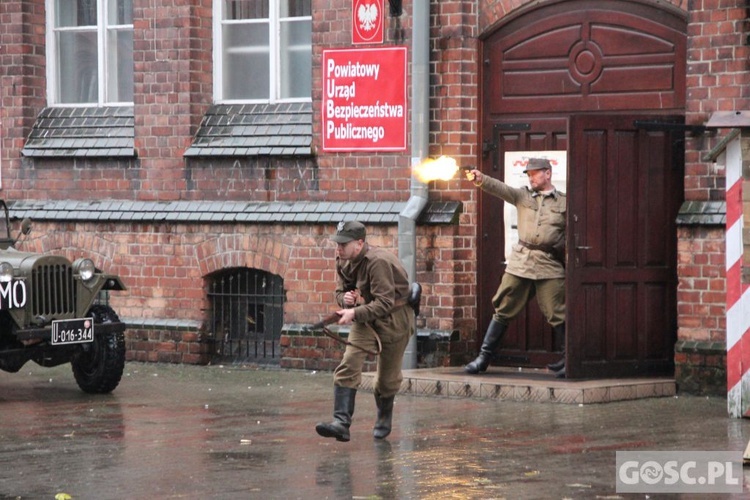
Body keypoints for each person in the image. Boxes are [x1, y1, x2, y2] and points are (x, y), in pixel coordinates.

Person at [464, 158, 567, 377]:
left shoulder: (564, 203)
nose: (530, 177)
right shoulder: (523, 196)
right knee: (503, 307)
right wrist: (481, 178)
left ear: (547, 174)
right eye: (528, 174)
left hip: (549, 264)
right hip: (521, 262)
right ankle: (483, 358)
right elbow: (501, 189)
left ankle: (570, 359)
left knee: (557, 311)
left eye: (535, 173)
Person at [315, 221, 415, 442]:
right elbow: (340, 291)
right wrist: (346, 299)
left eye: (344, 244)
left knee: (386, 380)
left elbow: (385, 303)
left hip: (394, 319)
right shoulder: (344, 260)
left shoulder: (377, 262)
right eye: (337, 244)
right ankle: (341, 423)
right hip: (365, 317)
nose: (338, 248)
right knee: (349, 363)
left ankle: (383, 417)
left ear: (359, 243)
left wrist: (354, 312)